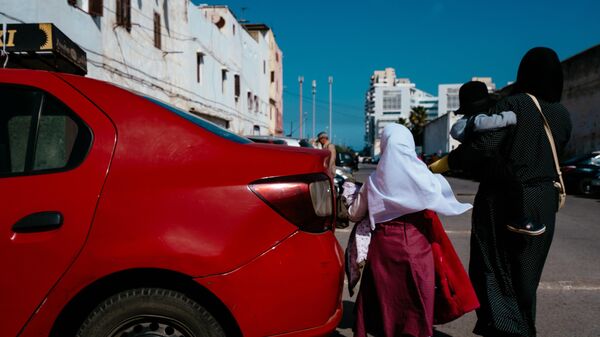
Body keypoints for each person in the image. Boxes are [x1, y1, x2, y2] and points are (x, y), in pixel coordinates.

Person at [446, 47, 572, 337]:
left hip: (505, 199)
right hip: (544, 201)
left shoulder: (517, 105)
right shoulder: (562, 114)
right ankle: (525, 328)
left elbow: (484, 146)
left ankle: (503, 329)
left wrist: (450, 162)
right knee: (527, 275)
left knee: (494, 267)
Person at [347, 123, 472, 337]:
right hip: (417, 245)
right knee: (416, 300)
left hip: (383, 248)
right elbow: (439, 202)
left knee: (386, 301)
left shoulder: (375, 180)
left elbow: (354, 214)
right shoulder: (424, 176)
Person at [429, 81, 517, 175]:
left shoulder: (467, 118)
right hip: (471, 142)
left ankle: (431, 169)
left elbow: (455, 132)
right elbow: (483, 124)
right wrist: (508, 117)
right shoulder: (479, 118)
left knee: (446, 163)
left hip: (463, 139)